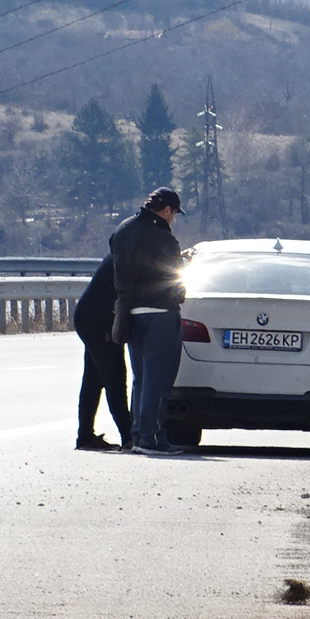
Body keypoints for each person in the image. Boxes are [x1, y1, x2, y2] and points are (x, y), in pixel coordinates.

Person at [110, 187, 189, 456]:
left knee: (141, 378)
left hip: (131, 313)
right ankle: (153, 438)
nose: (173, 219)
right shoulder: (164, 239)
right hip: (160, 314)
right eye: (174, 213)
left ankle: (139, 435)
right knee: (159, 378)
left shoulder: (123, 229)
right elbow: (175, 280)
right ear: (167, 210)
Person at [72, 256, 132, 450]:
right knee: (114, 377)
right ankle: (128, 436)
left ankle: (85, 437)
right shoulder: (132, 255)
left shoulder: (125, 248)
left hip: (91, 317)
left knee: (93, 379)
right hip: (98, 321)